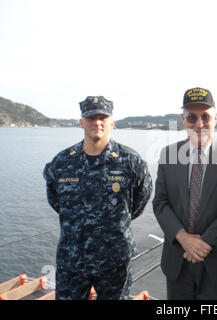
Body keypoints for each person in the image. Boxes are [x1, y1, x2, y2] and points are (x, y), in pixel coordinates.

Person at [43, 96, 152, 300]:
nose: (97, 122)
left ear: (112, 122)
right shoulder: (62, 162)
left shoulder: (131, 162)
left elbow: (137, 203)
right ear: (81, 122)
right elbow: (55, 200)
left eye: (103, 117)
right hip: (73, 259)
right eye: (91, 117)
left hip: (114, 259)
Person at [153, 87, 217, 300]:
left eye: (205, 116)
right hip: (178, 262)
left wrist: (202, 244)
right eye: (192, 117)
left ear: (216, 118)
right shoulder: (168, 155)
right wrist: (183, 237)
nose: (199, 124)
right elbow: (160, 203)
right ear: (183, 119)